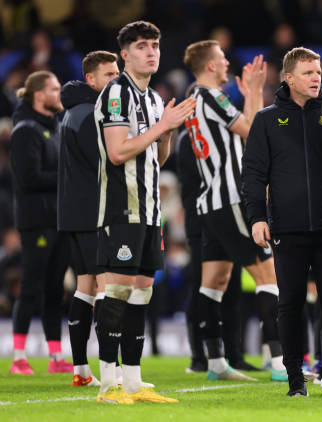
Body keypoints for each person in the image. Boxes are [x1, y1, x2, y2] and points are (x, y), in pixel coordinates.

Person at [242, 47, 322, 397]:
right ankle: (296, 380)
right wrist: (257, 218)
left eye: (318, 72)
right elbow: (253, 174)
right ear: (289, 78)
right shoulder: (266, 119)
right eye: (308, 73)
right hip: (287, 228)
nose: (316, 78)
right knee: (289, 303)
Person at [94, 20, 196, 404]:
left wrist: (167, 131)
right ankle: (108, 385)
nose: (151, 51)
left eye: (154, 44)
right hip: (122, 208)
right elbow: (119, 152)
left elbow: (158, 155)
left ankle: (134, 384)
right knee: (117, 293)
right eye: (141, 46)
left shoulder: (153, 99)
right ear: (124, 54)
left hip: (151, 211)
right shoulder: (115, 94)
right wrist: (163, 126)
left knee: (141, 294)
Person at [182, 40, 285, 381]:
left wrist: (252, 95)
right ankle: (279, 361)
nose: (226, 63)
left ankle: (215, 363)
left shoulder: (193, 100)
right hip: (231, 199)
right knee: (269, 278)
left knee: (214, 283)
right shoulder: (212, 97)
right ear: (210, 66)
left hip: (208, 203)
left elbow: (245, 134)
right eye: (222, 59)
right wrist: (254, 91)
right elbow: (254, 135)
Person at [59, 50, 120, 387]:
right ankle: (112, 367)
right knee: (107, 288)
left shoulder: (73, 112)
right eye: (108, 75)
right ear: (91, 79)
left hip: (74, 213)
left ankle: (81, 370)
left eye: (117, 73)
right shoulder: (89, 114)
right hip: (92, 213)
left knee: (85, 289)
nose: (115, 79)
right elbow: (107, 161)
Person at [9, 70, 72, 375]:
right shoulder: (25, 130)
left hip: (59, 220)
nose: (60, 94)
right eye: (55, 89)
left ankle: (55, 357)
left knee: (54, 289)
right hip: (37, 221)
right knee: (31, 287)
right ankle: (18, 356)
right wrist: (69, 179)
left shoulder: (56, 127)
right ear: (39, 95)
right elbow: (28, 178)